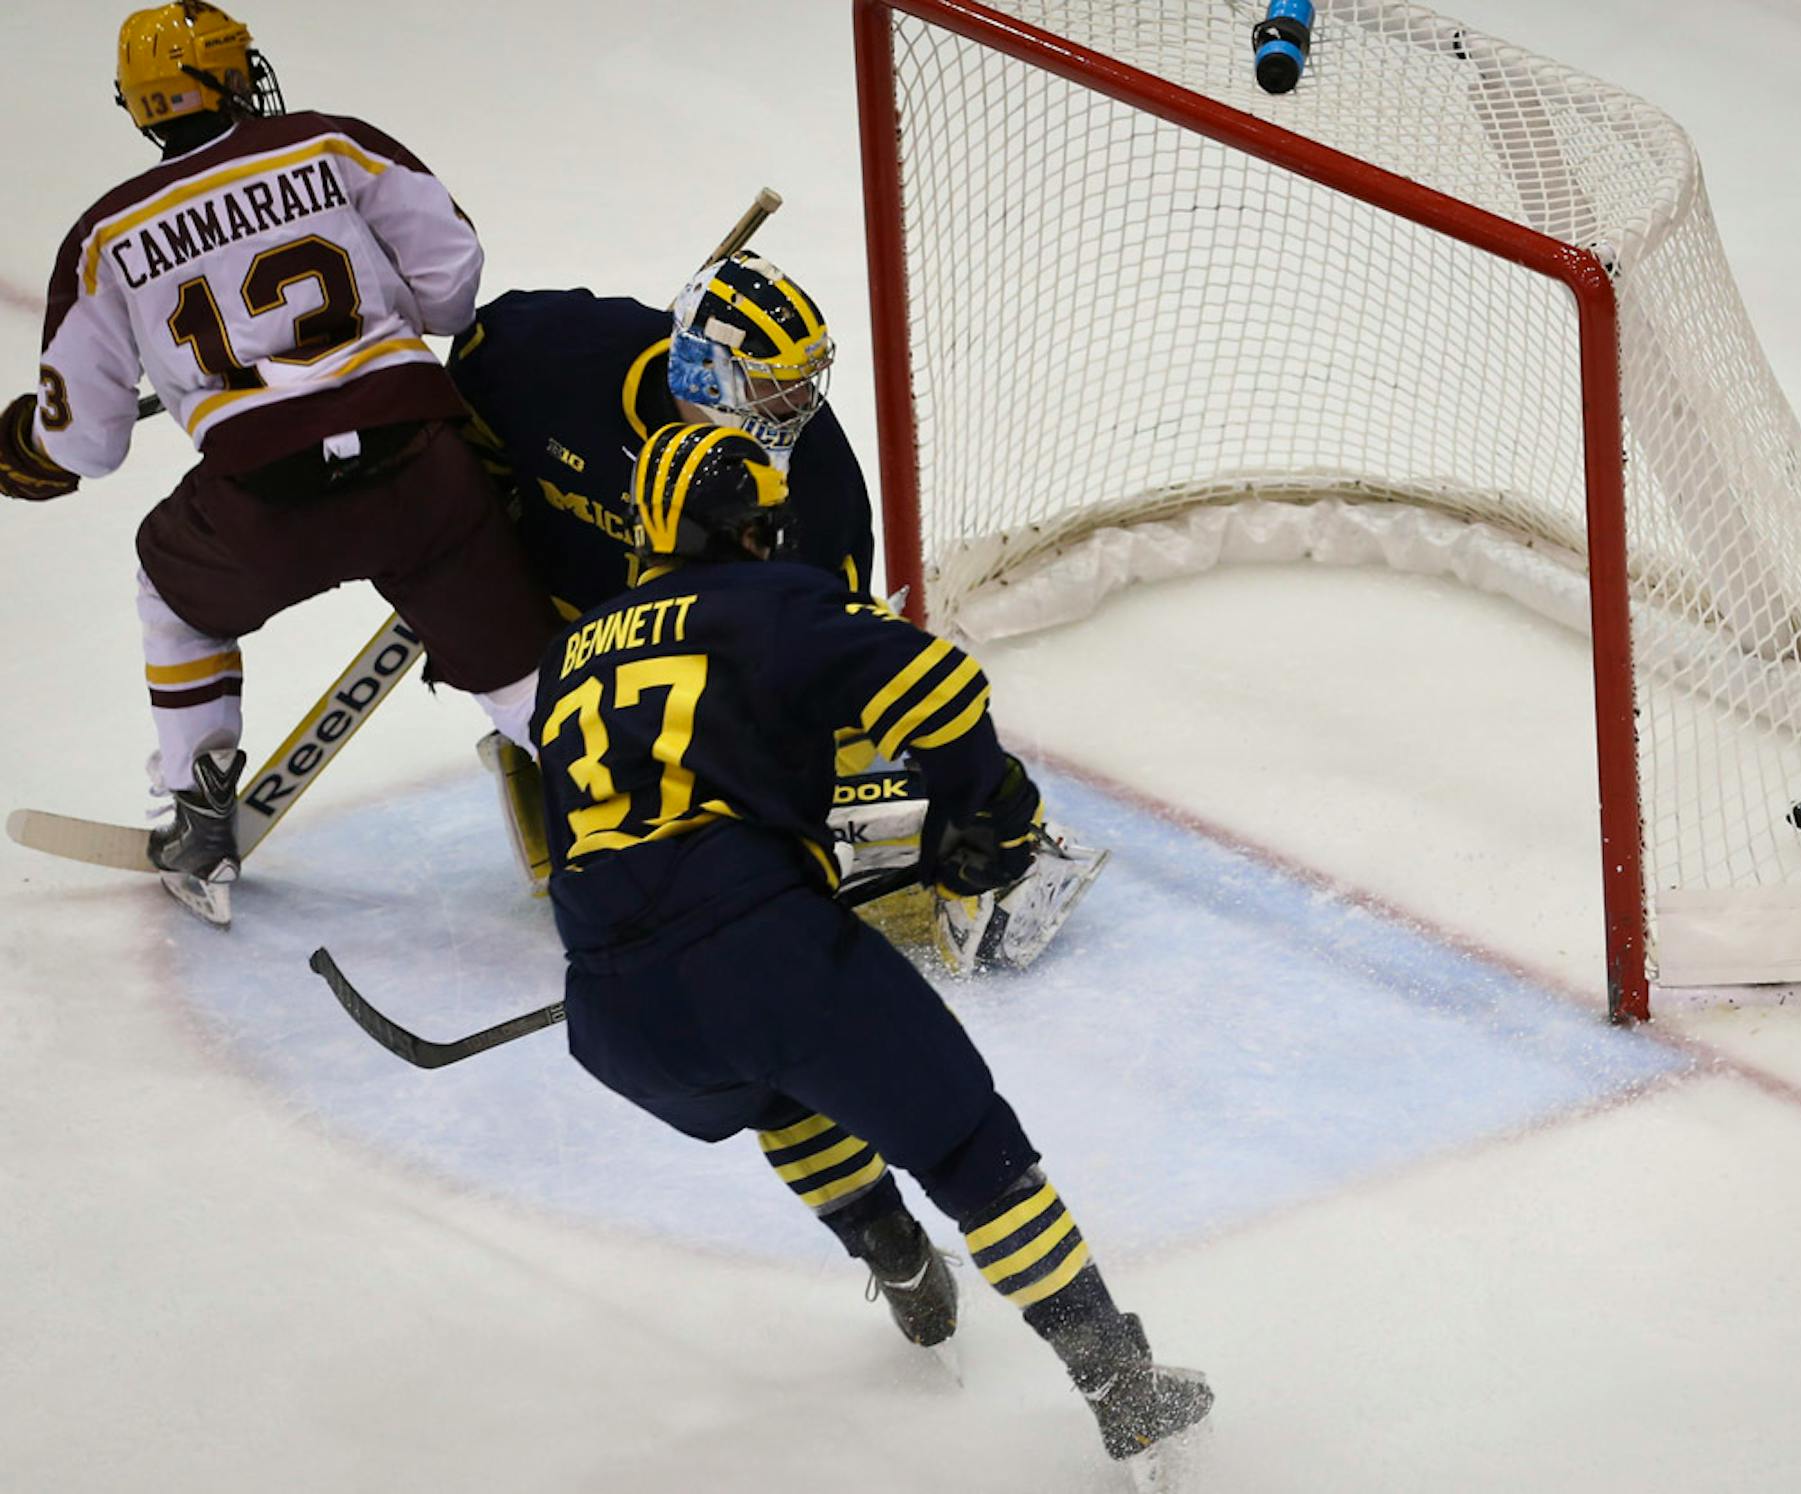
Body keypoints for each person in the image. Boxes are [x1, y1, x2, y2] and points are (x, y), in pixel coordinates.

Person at [530, 421, 1212, 1475]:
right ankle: (1126, 1391)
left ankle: (895, 1259)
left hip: (614, 1000)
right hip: (757, 948)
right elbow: (938, 691)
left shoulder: (570, 652)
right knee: (964, 1144)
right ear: (745, 531)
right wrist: (990, 810)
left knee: (780, 1095)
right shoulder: (766, 600)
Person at [0, 3, 558, 925]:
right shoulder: (332, 143)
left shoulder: (107, 233)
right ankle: (650, 816)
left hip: (265, 506)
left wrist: (32, 443)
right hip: (422, 472)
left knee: (172, 595)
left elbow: (85, 442)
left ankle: (200, 815)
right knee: (518, 678)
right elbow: (453, 287)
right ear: (228, 78)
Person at [450, 253, 1105, 971]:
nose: (795, 407)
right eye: (771, 388)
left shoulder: (815, 489)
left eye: (802, 385)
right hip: (565, 628)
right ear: (702, 373)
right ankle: (556, 760)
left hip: (693, 651)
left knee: (801, 767)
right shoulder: (555, 352)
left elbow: (829, 668)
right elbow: (474, 381)